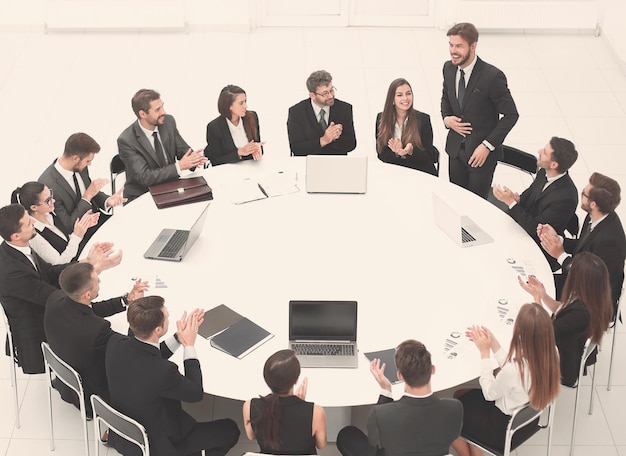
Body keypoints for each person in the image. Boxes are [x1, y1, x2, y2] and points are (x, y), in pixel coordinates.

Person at [105, 296, 240, 456]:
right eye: (167, 315)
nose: (169, 315)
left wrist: (178, 338)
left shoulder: (115, 343)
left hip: (124, 432)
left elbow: (147, 355)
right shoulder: (164, 371)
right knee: (230, 429)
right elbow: (195, 393)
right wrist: (189, 345)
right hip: (160, 443)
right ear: (158, 330)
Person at [0, 203, 121, 373]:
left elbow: (50, 272)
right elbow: (55, 298)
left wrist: (87, 262)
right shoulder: (12, 272)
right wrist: (94, 271)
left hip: (45, 305)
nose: (34, 223)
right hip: (39, 326)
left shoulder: (19, 247)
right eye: (28, 223)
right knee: (100, 335)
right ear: (15, 236)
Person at [451, 303, 560, 456]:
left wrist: (484, 354)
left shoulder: (514, 370)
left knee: (450, 414)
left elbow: (489, 393)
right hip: (527, 422)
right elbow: (515, 374)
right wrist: (494, 344)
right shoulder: (552, 353)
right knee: (461, 394)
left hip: (501, 430)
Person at [44, 263, 148, 416]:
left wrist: (126, 300)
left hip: (65, 379)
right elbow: (128, 350)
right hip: (92, 393)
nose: (100, 282)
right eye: (97, 281)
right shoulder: (98, 330)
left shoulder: (55, 299)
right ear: (87, 294)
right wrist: (137, 309)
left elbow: (90, 310)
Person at [336, 340, 463, 456]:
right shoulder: (455, 408)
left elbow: (374, 444)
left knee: (346, 435)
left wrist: (386, 390)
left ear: (400, 375)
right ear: (432, 369)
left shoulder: (381, 414)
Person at [441, 22, 519, 199]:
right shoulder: (448, 68)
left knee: (475, 205)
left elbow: (511, 115)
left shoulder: (492, 76)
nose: (453, 50)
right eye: (451, 45)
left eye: (459, 46)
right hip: (455, 150)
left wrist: (487, 146)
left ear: (473, 46)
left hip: (480, 155)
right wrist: (447, 118)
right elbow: (446, 97)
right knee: (456, 198)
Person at [519, 252, 613, 386]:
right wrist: (544, 295)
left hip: (560, 363)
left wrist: (537, 299)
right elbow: (563, 309)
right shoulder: (591, 298)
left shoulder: (581, 313)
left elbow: (544, 332)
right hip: (563, 347)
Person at [538, 172, 626, 310]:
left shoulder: (610, 242)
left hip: (590, 298)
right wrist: (559, 239)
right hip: (576, 280)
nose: (581, 195)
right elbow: (584, 246)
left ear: (594, 204)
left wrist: (560, 255)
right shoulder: (595, 215)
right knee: (534, 281)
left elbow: (589, 278)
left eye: (584, 194)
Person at [117, 88, 208, 202]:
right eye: (158, 109)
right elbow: (145, 177)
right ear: (143, 114)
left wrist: (193, 159)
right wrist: (179, 166)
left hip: (170, 187)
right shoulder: (127, 140)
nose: (163, 112)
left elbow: (182, 149)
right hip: (143, 194)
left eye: (162, 106)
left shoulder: (168, 121)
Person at [493, 137, 578, 256]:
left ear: (554, 164)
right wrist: (518, 200)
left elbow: (535, 229)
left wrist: (512, 203)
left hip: (537, 245)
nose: (539, 151)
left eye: (545, 152)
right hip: (522, 226)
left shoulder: (566, 198)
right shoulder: (543, 172)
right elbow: (528, 195)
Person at [39, 132, 126, 238]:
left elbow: (90, 190)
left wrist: (108, 201)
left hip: (98, 218)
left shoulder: (79, 167)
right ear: (75, 159)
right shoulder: (48, 187)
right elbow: (68, 226)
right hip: (81, 234)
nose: (89, 164)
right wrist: (87, 197)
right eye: (88, 161)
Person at [243, 349, 326, 454]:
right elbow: (321, 445)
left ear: (266, 379)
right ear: (296, 380)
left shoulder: (250, 406)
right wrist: (301, 405)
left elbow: (251, 436)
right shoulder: (316, 412)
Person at [11, 181, 99, 264]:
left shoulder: (50, 214)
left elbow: (65, 242)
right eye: (48, 200)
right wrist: (77, 236)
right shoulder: (34, 235)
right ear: (34, 207)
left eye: (51, 195)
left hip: (77, 257)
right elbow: (59, 263)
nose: (53, 201)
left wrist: (82, 227)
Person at [375, 78, 439, 176]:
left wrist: (410, 151)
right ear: (392, 98)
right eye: (400, 95)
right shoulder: (381, 118)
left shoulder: (423, 119)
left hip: (420, 172)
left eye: (408, 93)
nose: (405, 98)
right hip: (396, 173)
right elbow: (381, 153)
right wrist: (397, 152)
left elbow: (430, 156)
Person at [287, 70, 356, 156]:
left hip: (336, 162)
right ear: (312, 95)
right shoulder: (297, 112)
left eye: (331, 90)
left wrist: (334, 137)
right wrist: (323, 140)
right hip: (308, 163)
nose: (331, 96)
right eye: (325, 93)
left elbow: (352, 144)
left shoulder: (344, 109)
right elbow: (296, 148)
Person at [204, 85, 265, 166]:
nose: (245, 106)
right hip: (228, 169)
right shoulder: (214, 127)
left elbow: (257, 144)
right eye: (241, 103)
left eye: (245, 101)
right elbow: (215, 160)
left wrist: (257, 149)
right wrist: (239, 152)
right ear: (229, 106)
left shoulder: (252, 117)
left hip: (249, 167)